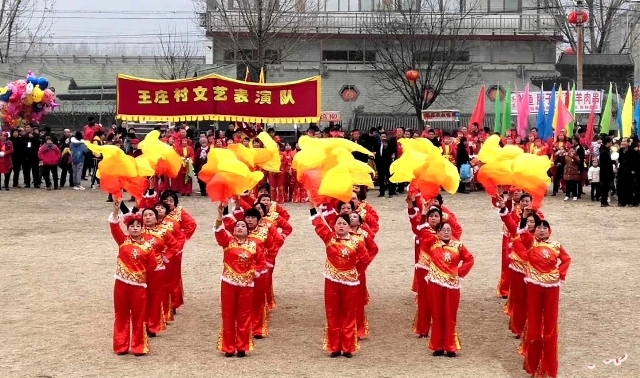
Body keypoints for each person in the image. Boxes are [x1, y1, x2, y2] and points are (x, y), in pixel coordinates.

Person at [309, 202, 373, 358]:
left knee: (349, 314)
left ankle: (348, 347)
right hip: (331, 281)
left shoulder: (357, 242)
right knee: (332, 313)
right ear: (334, 226)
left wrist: (355, 273)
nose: (341, 226)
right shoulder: (329, 238)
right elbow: (319, 225)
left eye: (344, 223)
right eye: (338, 223)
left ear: (349, 226)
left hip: (350, 283)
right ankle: (334, 347)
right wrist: (312, 207)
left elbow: (365, 259)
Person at [517, 212, 572, 378]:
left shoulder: (556, 245)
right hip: (534, 286)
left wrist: (559, 275)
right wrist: (524, 217)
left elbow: (566, 259)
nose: (542, 230)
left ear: (549, 231)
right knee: (534, 324)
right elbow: (522, 234)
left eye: (545, 227)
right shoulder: (530, 242)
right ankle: (534, 367)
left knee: (550, 326)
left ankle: (548, 368)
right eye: (539, 227)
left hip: (552, 287)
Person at [214, 203, 265, 357]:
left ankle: (242, 346)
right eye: (237, 226)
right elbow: (218, 231)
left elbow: (261, 263)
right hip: (228, 283)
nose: (240, 228)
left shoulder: (254, 245)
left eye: (243, 226)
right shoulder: (228, 242)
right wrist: (219, 214)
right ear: (234, 230)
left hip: (246, 285)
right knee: (228, 315)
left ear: (248, 230)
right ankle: (228, 347)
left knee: (244, 315)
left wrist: (253, 274)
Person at [108, 202, 155, 356]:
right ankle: (121, 345)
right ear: (127, 228)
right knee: (121, 314)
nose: (135, 228)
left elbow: (152, 265)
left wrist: (139, 276)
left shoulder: (148, 247)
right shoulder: (122, 240)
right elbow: (114, 227)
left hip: (139, 286)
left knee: (139, 316)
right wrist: (116, 211)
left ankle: (138, 346)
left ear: (142, 228)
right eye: (132, 226)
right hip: (121, 284)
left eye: (138, 226)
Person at [420, 221, 474, 357]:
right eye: (443, 229)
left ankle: (450, 346)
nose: (446, 232)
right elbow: (421, 230)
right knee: (437, 315)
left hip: (452, 286)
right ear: (437, 232)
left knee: (450, 316)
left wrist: (459, 273)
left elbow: (469, 259)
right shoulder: (432, 242)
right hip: (435, 284)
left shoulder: (458, 245)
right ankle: (437, 346)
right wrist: (423, 214)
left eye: (448, 230)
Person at [160, 190, 198, 314]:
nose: (169, 203)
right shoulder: (158, 212)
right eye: (166, 201)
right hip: (159, 249)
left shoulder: (179, 212)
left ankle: (173, 302)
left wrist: (181, 238)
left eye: (171, 201)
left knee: (173, 276)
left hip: (175, 250)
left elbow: (191, 225)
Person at [348, 212, 379, 339]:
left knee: (358, 301)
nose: (352, 218)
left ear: (360, 222)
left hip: (359, 271)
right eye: (350, 216)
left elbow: (373, 249)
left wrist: (364, 263)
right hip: (344, 271)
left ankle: (359, 329)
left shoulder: (364, 235)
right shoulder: (342, 233)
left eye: (355, 216)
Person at [375, 131, 396, 198]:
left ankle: (391, 192)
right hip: (380, 164)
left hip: (387, 163)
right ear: (380, 137)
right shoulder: (378, 144)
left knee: (389, 178)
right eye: (382, 137)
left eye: (384, 137)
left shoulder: (389, 144)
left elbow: (392, 152)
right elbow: (377, 154)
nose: (383, 138)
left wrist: (386, 147)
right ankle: (381, 192)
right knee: (381, 179)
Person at [599, 137, 613, 207]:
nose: (611, 144)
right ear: (607, 143)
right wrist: (613, 161)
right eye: (610, 142)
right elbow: (606, 162)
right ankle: (603, 202)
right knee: (605, 187)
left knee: (606, 187)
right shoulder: (604, 151)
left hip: (606, 171)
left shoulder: (606, 150)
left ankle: (604, 201)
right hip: (605, 172)